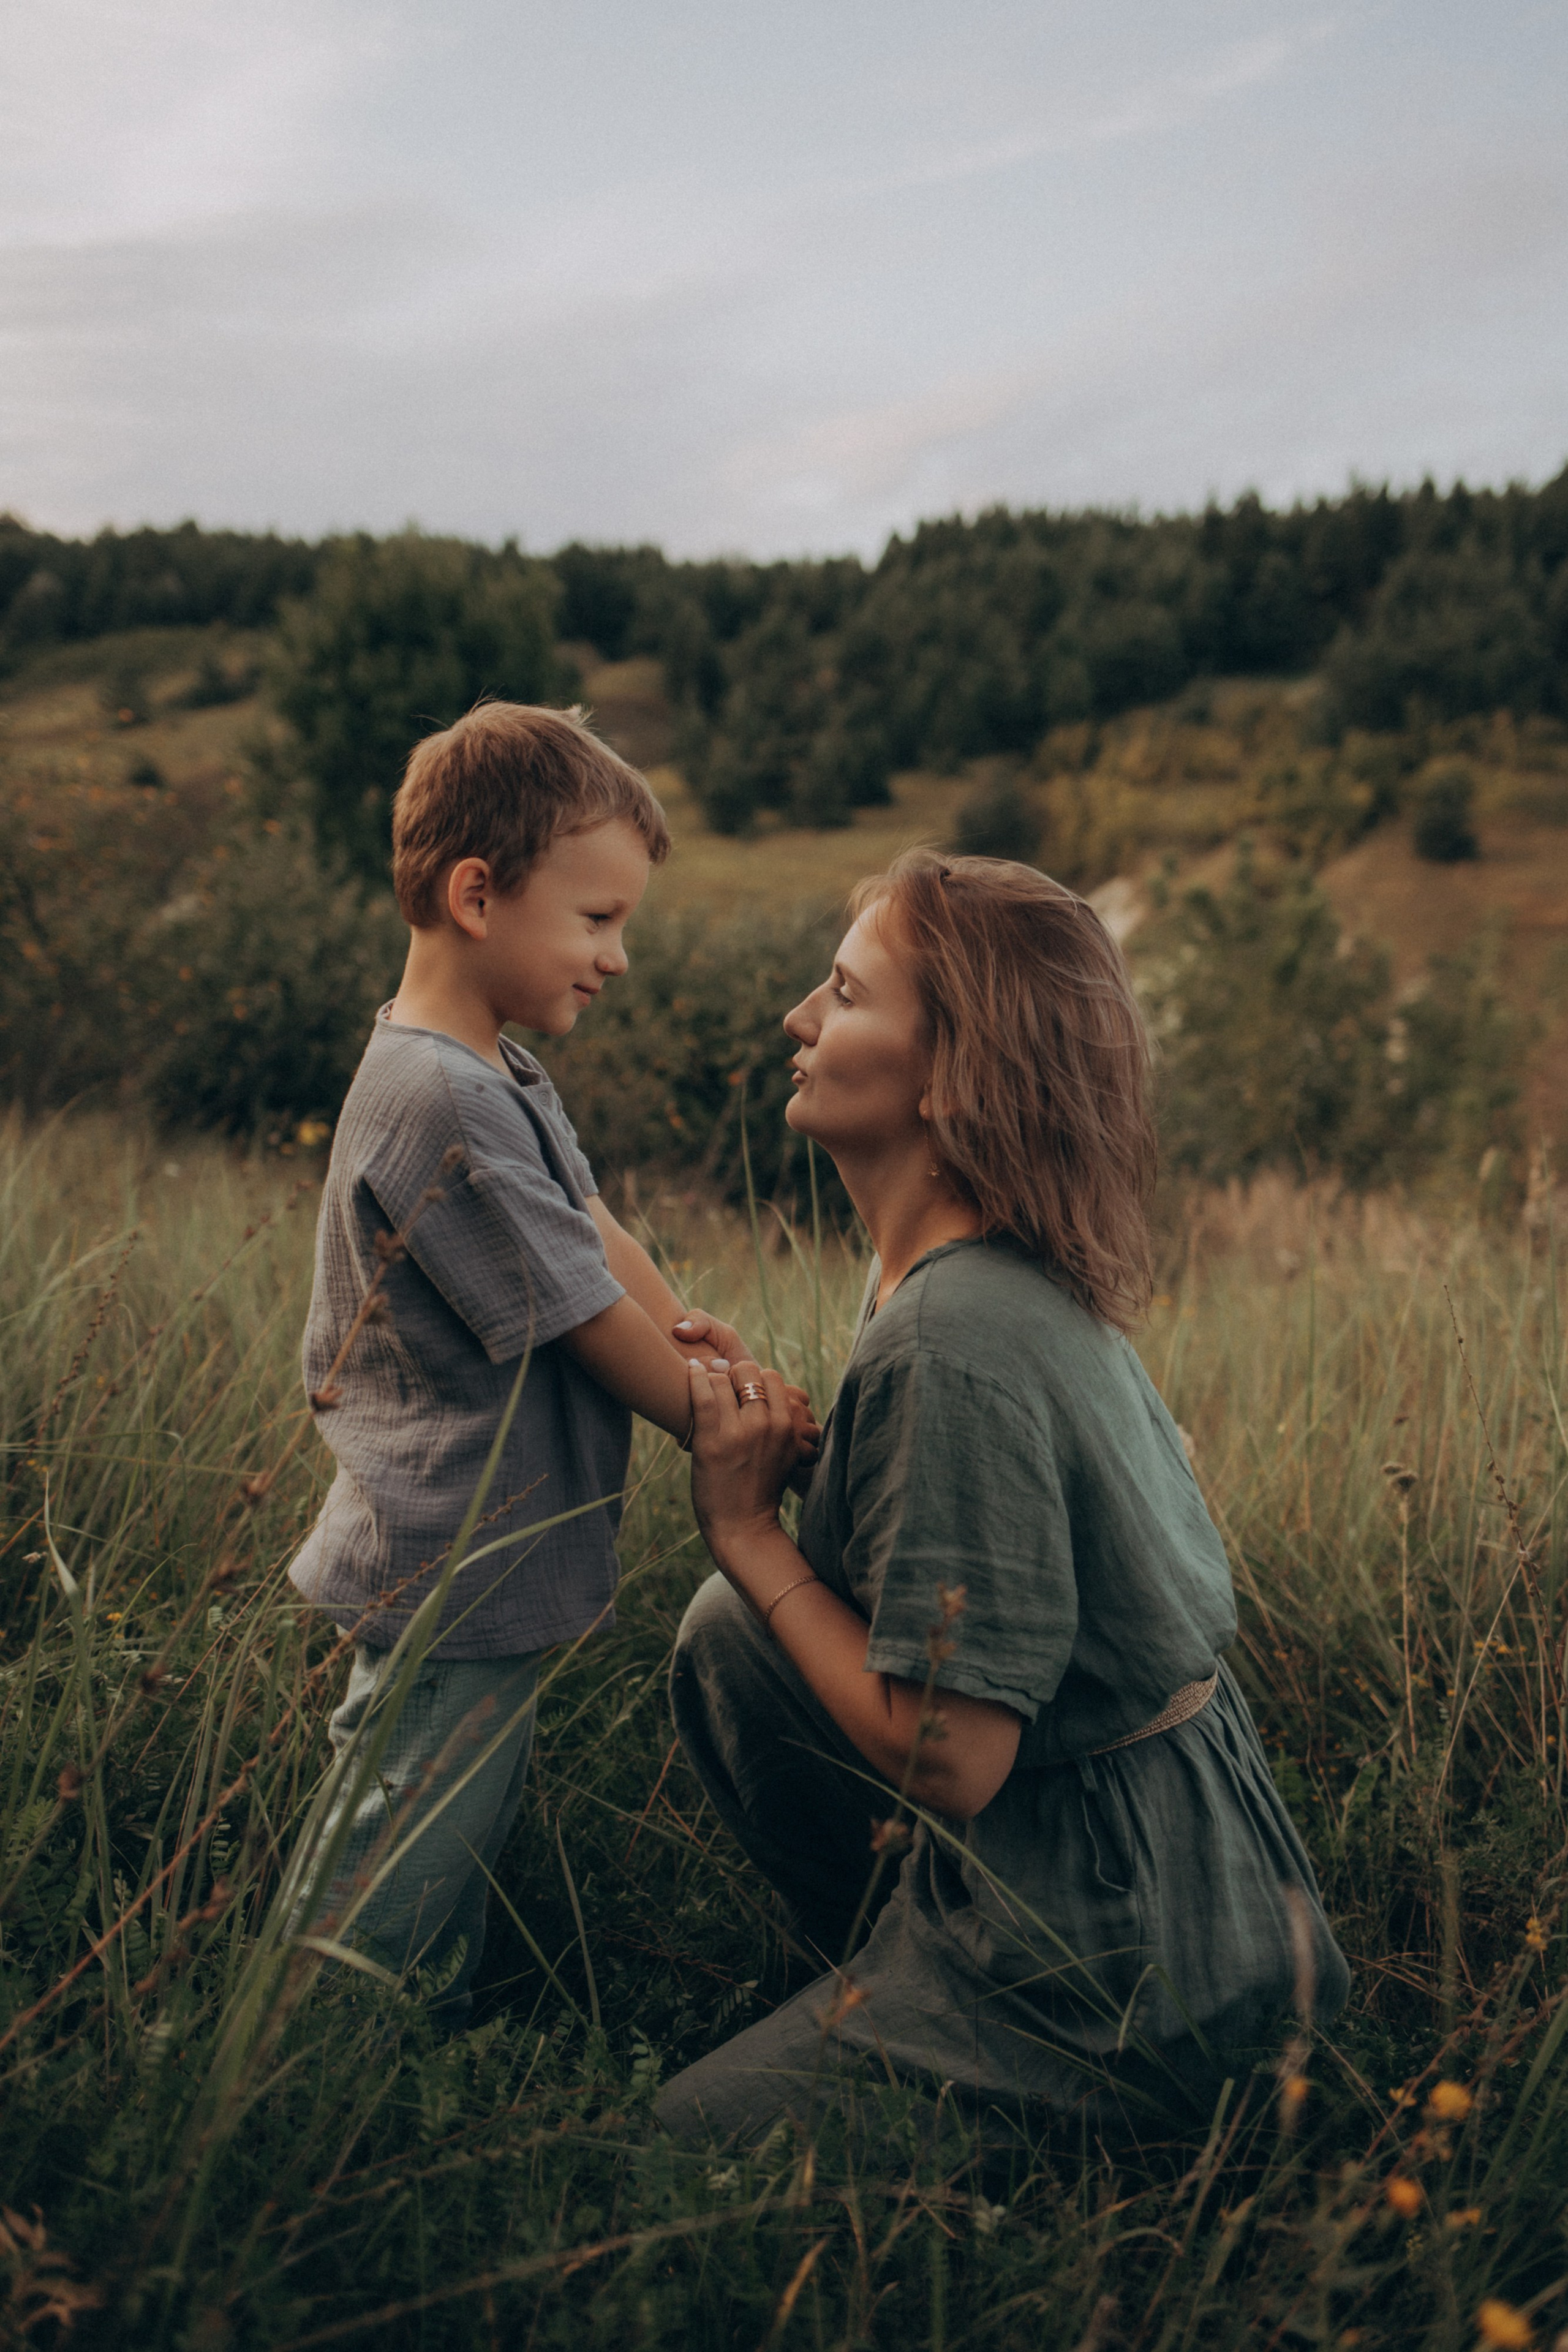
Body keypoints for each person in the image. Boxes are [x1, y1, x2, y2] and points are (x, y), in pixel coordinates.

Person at [657, 848, 1350, 2149]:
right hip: (1165, 1861)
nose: (797, 1019)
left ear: (949, 1074)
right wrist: (823, 1457)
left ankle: (1092, 2114)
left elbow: (952, 1757)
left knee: (679, 2157)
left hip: (1128, 1950)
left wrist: (748, 1526)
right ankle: (894, 1982)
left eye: (846, 994)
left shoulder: (953, 1334)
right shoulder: (984, 1279)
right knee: (727, 1635)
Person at [284, 701, 812, 2029]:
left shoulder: (493, 1071)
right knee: (395, 1837)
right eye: (594, 920)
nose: (617, 957)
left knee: (439, 1815)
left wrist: (690, 1331)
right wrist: (718, 1427)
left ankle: (407, 2016)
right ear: (476, 894)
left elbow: (592, 1232)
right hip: (449, 1555)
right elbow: (577, 1318)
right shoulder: (439, 1099)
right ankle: (327, 2053)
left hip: (491, 1562)